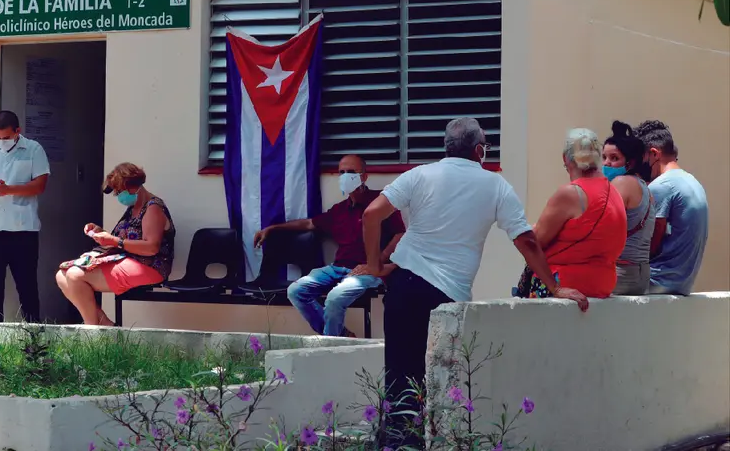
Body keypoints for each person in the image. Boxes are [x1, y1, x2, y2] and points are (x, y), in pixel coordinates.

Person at [360, 117, 589, 447]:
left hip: (403, 284)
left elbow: (371, 214)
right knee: (440, 379)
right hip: (446, 297)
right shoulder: (494, 185)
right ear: (479, 150)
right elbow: (526, 240)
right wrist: (553, 287)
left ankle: (398, 443)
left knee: (400, 377)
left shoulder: (419, 175)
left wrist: (372, 266)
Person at [253, 154, 405, 337]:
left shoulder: (379, 202)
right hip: (338, 267)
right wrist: (272, 228)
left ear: (364, 176)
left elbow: (400, 234)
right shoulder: (339, 210)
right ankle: (339, 336)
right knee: (296, 290)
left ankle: (329, 347)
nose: (345, 176)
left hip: (368, 271)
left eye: (351, 172)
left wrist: (376, 263)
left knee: (334, 298)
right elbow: (309, 224)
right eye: (342, 172)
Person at [56, 163, 175, 326]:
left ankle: (92, 331)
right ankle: (106, 328)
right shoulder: (133, 208)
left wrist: (114, 241)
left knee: (75, 276)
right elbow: (124, 240)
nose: (119, 196)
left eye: (120, 191)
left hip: (150, 266)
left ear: (134, 188)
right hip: (127, 260)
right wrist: (100, 232)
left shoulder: (152, 208)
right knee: (62, 276)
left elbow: (151, 247)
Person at [520, 128, 627, 299]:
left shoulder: (570, 194)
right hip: (604, 284)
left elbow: (536, 242)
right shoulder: (614, 192)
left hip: (565, 282)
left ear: (565, 159)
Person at [0, 110, 50, 322]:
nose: (1, 141)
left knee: (27, 288)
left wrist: (10, 189)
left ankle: (33, 339)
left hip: (23, 229)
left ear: (17, 131)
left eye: (6, 137)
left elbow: (40, 185)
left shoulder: (34, 149)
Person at [634, 120, 709, 295]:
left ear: (653, 154)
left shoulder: (661, 187)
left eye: (640, 158)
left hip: (658, 280)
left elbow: (649, 246)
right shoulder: (692, 182)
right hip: (683, 283)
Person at [602, 121, 656, 295]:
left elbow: (602, 228)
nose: (607, 163)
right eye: (604, 157)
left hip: (621, 273)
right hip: (640, 274)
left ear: (630, 162)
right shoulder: (646, 189)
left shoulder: (621, 183)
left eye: (614, 158)